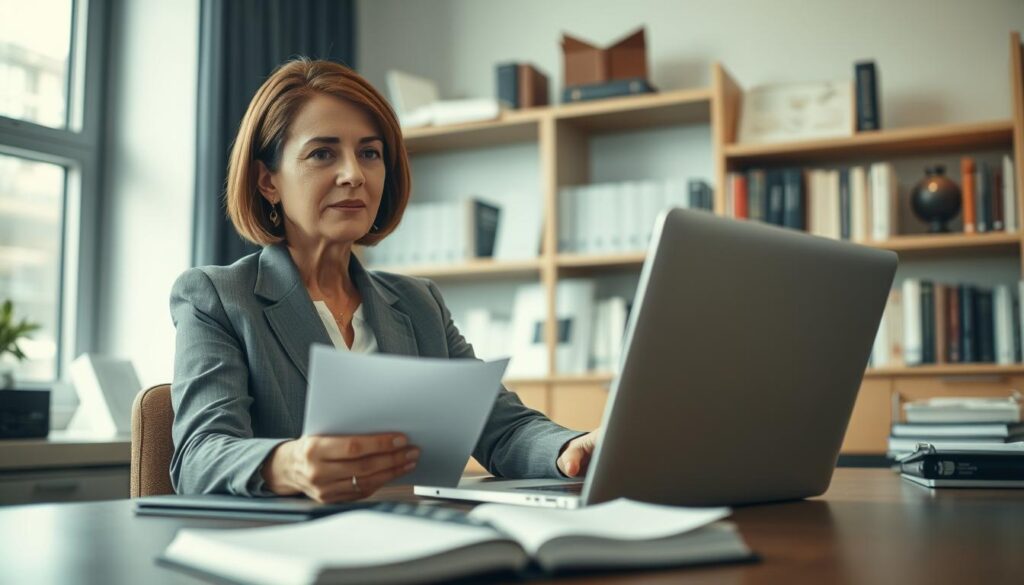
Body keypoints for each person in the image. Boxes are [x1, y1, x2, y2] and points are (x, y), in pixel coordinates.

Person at [170, 58, 598, 503]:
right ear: (267, 181)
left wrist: (572, 448)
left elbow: (500, 428)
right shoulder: (217, 297)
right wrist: (290, 464)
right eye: (323, 153)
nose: (353, 174)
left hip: (411, 539)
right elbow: (199, 456)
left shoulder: (419, 302)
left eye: (369, 153)